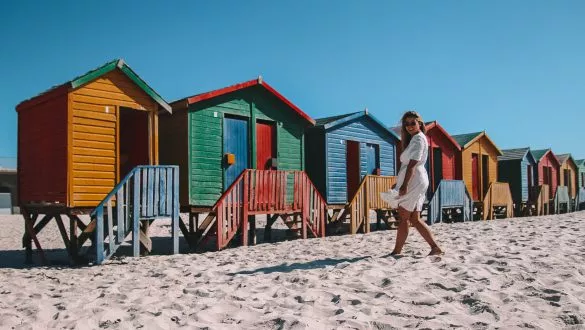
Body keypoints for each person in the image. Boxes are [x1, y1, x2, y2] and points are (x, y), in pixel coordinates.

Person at [385, 111, 443, 256]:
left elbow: (412, 165)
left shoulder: (418, 139)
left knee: (404, 216)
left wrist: (404, 185)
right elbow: (408, 166)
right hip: (418, 179)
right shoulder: (417, 139)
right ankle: (435, 248)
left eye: (413, 123)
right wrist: (399, 184)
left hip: (414, 180)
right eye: (407, 124)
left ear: (419, 124)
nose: (409, 126)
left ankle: (396, 251)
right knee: (414, 219)